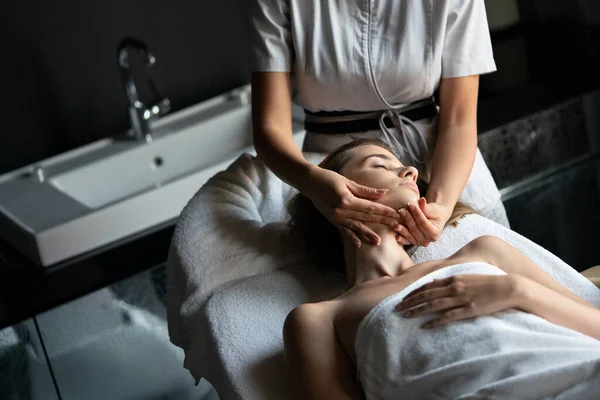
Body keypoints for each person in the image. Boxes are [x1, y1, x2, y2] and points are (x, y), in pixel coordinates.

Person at [283, 139, 600, 399]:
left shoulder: (484, 250)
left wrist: (516, 291)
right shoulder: (319, 319)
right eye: (380, 164)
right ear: (331, 193)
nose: (409, 171)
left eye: (403, 166)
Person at [250, 0, 509, 250]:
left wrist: (440, 206)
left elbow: (459, 120)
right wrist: (313, 182)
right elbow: (270, 125)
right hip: (333, 177)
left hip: (446, 172)